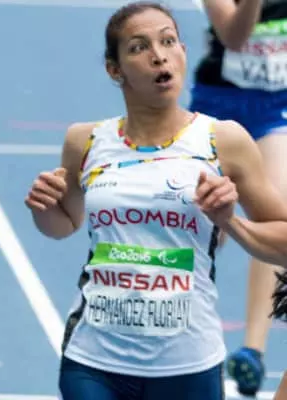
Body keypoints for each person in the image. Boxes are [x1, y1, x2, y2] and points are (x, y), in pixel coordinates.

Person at [23, 2, 287, 398]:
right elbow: (63, 225)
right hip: (95, 360)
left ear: (183, 52)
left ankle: (254, 345)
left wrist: (230, 222)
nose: (159, 55)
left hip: (187, 363)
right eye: (139, 47)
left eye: (168, 42)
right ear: (115, 70)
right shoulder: (84, 140)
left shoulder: (224, 141)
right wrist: (45, 209)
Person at [187, 0, 287, 396]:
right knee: (205, 225)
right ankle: (180, 322)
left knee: (277, 220)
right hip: (219, 108)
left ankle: (253, 351)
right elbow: (234, 36)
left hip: (273, 108)